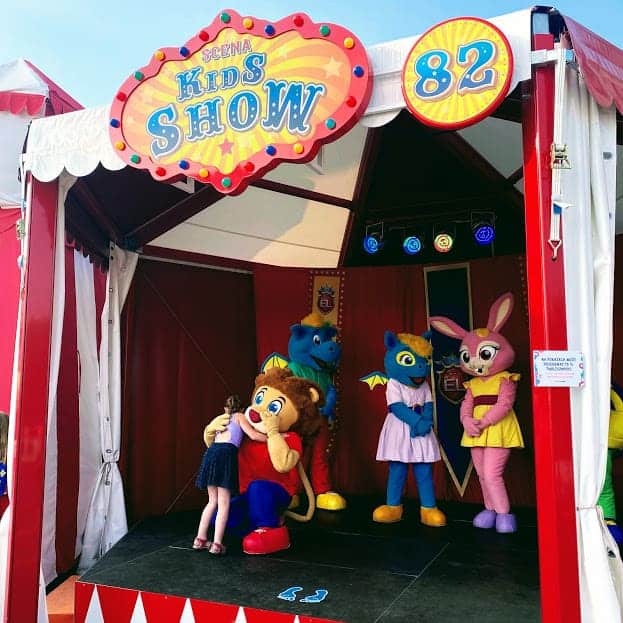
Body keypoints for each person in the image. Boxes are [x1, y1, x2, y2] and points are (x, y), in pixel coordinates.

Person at [193, 395, 266, 554]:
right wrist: (272, 437)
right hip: (226, 454)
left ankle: (200, 539)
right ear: (242, 409)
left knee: (212, 501)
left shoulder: (221, 418)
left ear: (226, 408)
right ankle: (217, 544)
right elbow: (253, 435)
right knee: (224, 503)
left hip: (211, 453)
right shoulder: (240, 417)